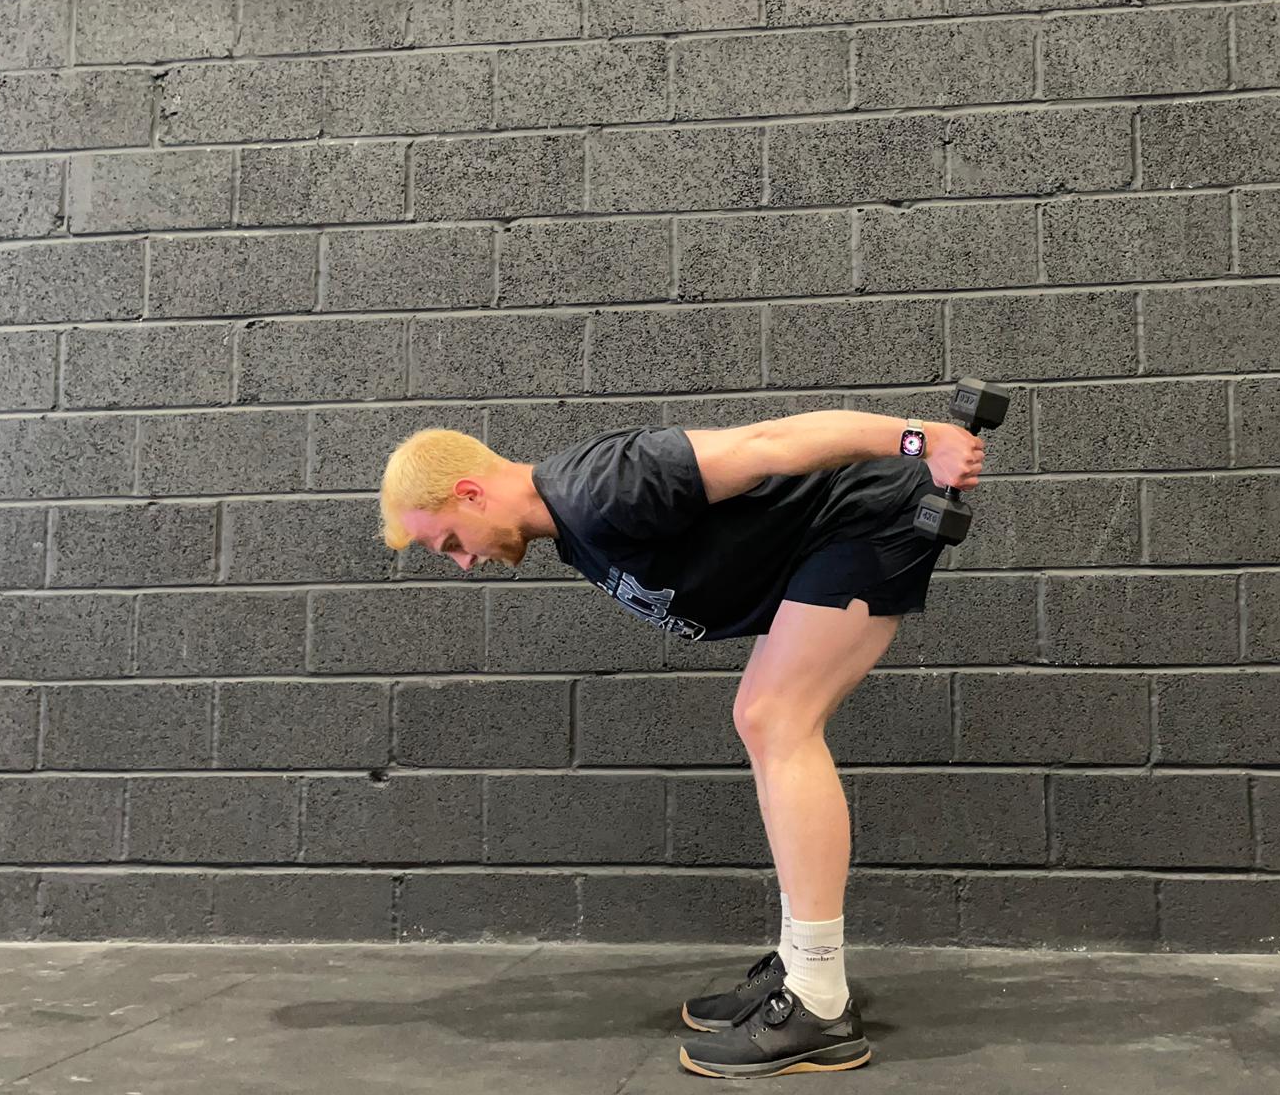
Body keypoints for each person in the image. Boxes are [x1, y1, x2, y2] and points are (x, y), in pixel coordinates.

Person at [378, 408, 986, 1080]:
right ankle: (800, 961)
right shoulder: (571, 524)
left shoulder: (602, 487)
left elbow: (768, 444)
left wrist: (921, 440)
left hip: (863, 521)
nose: (463, 562)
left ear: (469, 493)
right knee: (761, 716)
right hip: (828, 538)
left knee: (778, 719)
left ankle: (818, 1002)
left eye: (451, 543)